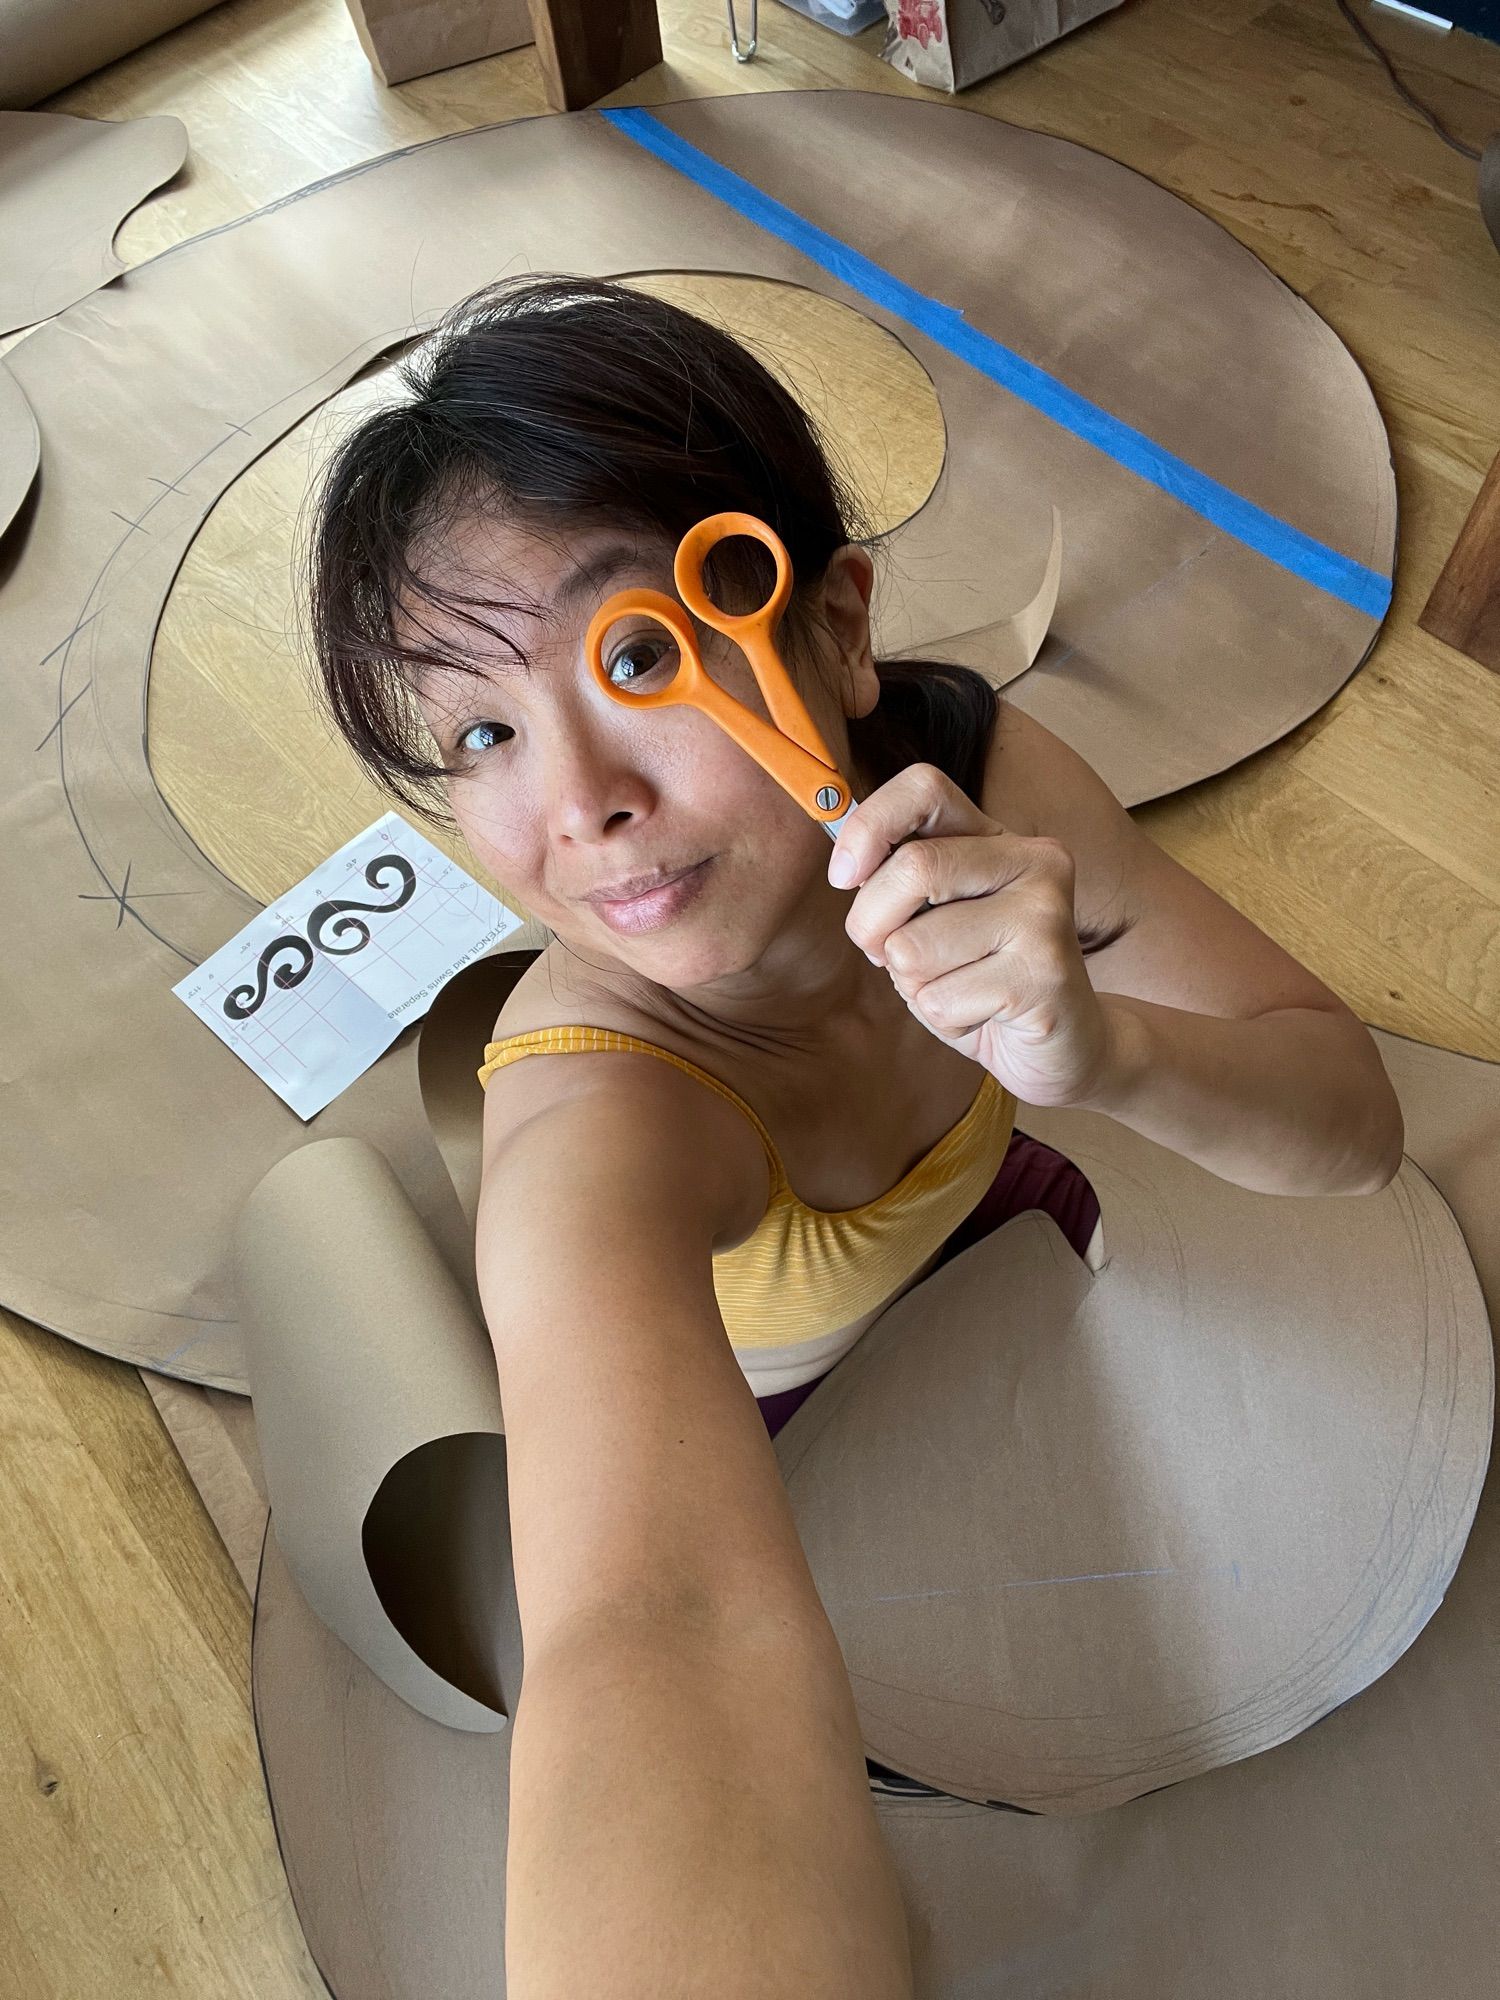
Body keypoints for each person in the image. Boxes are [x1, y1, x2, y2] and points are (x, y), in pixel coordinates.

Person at [307, 275, 1403, 1998]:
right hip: (787, 1416)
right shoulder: (597, 1107)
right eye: (482, 733)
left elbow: (1347, 1125)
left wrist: (1104, 1052)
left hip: (1005, 1241)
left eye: (643, 653)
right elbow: (651, 1627)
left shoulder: (972, 771)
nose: (579, 802)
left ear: (830, 630)